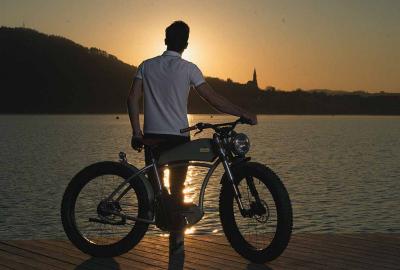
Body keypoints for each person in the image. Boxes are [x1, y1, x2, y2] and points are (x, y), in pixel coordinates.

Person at [127, 20, 257, 257]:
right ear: (186, 44)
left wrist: (137, 133)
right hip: (178, 138)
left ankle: (160, 229)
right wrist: (243, 113)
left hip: (152, 138)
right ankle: (177, 246)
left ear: (165, 39)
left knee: (157, 195)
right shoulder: (189, 69)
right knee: (176, 193)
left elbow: (132, 99)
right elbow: (213, 99)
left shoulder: (146, 66)